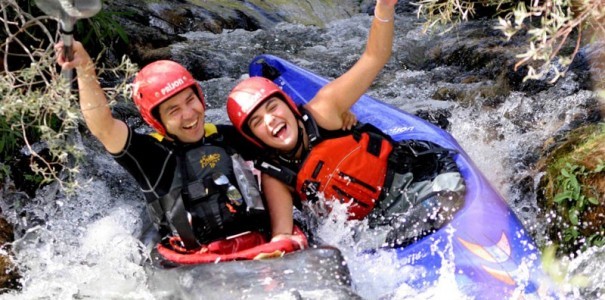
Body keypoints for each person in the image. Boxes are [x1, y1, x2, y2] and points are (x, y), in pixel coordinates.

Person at [226, 0, 466, 248]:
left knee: (444, 206)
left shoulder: (325, 108)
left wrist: (384, 9)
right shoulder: (275, 175)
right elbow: (283, 233)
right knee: (392, 238)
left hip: (410, 180)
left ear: (289, 105)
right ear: (254, 137)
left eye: (272, 107)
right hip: (370, 225)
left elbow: (375, 57)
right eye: (256, 121)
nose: (270, 119)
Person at [54, 41, 301, 253]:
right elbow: (103, 127)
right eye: (174, 110)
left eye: (190, 100)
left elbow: (283, 158)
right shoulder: (152, 157)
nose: (188, 114)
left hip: (262, 247)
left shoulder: (231, 138)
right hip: (199, 265)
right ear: (157, 121)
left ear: (201, 97)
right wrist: (85, 68)